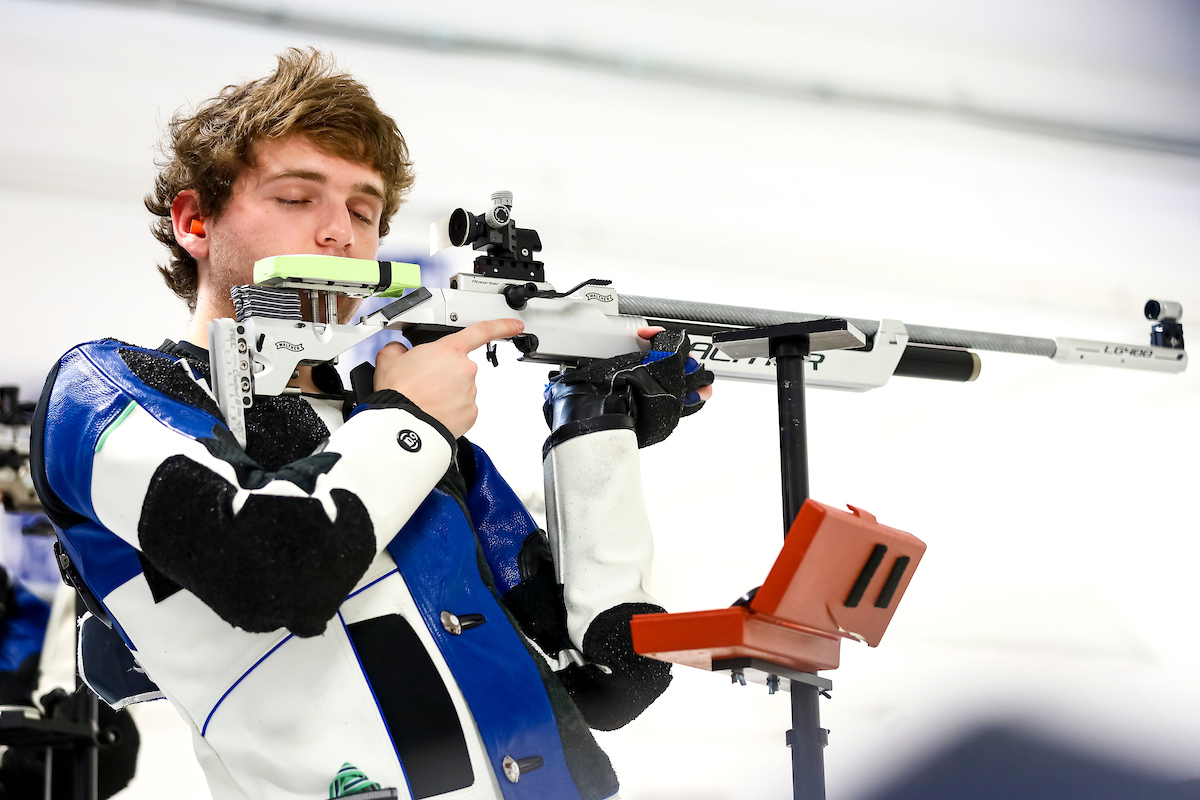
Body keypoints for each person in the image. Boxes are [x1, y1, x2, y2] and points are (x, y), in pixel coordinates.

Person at [29, 48, 711, 800]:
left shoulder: (394, 432)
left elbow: (613, 678)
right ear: (195, 220)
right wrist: (411, 418)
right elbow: (273, 569)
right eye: (297, 198)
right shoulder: (107, 391)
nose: (339, 233)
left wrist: (596, 428)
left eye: (364, 210)